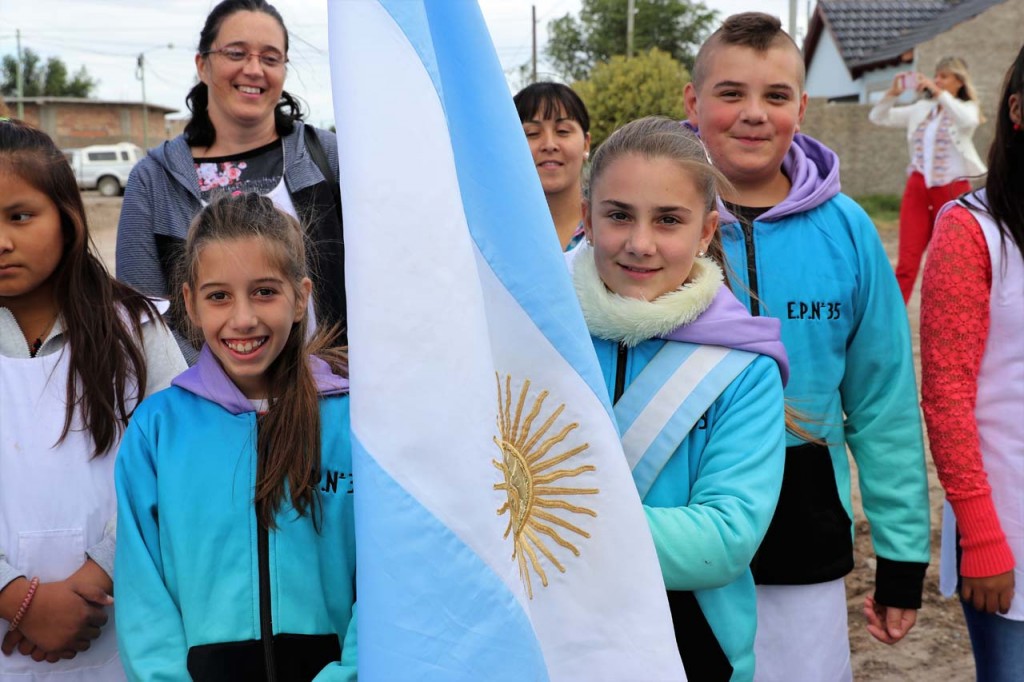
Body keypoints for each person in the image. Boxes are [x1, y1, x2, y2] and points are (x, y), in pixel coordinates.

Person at [683, 13, 931, 681]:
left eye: (776, 95)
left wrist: (903, 556)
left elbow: (882, 402)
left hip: (804, 532)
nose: (753, 113)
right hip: (678, 529)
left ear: (802, 107)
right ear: (693, 102)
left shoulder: (847, 230)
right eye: (731, 93)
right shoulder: (654, 222)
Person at [572, 115, 787, 681]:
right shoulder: (535, 334)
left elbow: (725, 537)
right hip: (549, 637)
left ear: (706, 231)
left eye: (668, 220)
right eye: (619, 215)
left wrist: (554, 525)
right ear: (586, 218)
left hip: (689, 646)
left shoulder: (746, 370)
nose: (640, 244)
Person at [114, 193, 356, 680]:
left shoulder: (353, 423)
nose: (242, 318)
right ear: (190, 303)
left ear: (301, 297)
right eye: (219, 296)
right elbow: (143, 596)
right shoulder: (157, 430)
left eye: (264, 292)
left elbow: (386, 577)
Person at [0, 118, 185, 678]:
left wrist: (98, 575)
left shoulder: (135, 329)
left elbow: (178, 462)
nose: (2, 241)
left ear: (68, 218)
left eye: (19, 216)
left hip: (125, 629)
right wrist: (15, 598)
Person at [116, 0, 345, 364]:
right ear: (202, 65)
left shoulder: (329, 157)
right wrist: (215, 391)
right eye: (236, 53)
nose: (254, 69)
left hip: (332, 391)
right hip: (205, 397)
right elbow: (142, 320)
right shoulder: (153, 179)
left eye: (270, 58)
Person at [921, 43, 1024, 682]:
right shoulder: (972, 229)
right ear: (1017, 110)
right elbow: (946, 394)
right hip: (1009, 528)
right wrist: (982, 535)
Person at [869, 56, 986, 302]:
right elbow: (878, 117)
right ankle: (893, 318)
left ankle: (952, 314)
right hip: (918, 187)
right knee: (907, 260)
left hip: (954, 190)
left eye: (944, 76)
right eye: (936, 76)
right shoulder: (922, 109)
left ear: (959, 81)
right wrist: (891, 94)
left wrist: (939, 93)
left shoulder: (967, 109)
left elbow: (968, 121)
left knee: (952, 261)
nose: (937, 80)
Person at [514, 82, 591, 250]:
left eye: (563, 131)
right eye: (532, 133)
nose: (549, 145)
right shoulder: (490, 234)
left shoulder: (612, 226)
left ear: (586, 144)